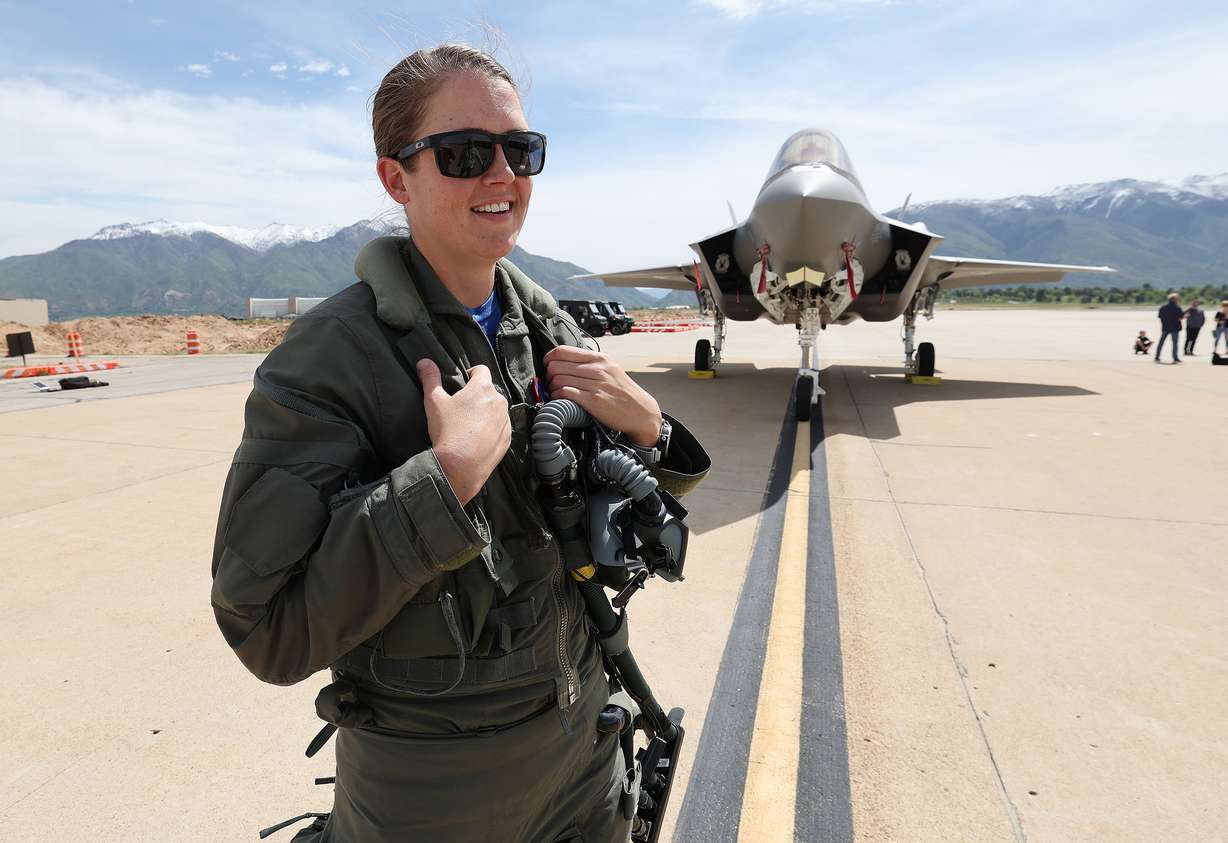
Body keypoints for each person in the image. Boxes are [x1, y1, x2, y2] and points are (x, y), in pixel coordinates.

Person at [210, 44, 709, 842]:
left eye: (521, 149)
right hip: (434, 798)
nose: (502, 174)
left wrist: (654, 430)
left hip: (583, 762)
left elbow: (615, 503)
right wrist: (443, 480)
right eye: (465, 153)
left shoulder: (550, 329)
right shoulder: (328, 360)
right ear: (395, 178)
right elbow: (267, 629)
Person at [1155, 292, 1183, 363]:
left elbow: (1160, 316)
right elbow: (1180, 317)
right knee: (1175, 344)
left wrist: (1165, 322)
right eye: (1177, 298)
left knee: (1161, 342)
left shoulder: (1163, 307)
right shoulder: (1177, 308)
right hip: (1175, 328)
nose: (1178, 299)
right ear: (1174, 300)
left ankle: (1157, 356)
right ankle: (1175, 357)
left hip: (1165, 327)